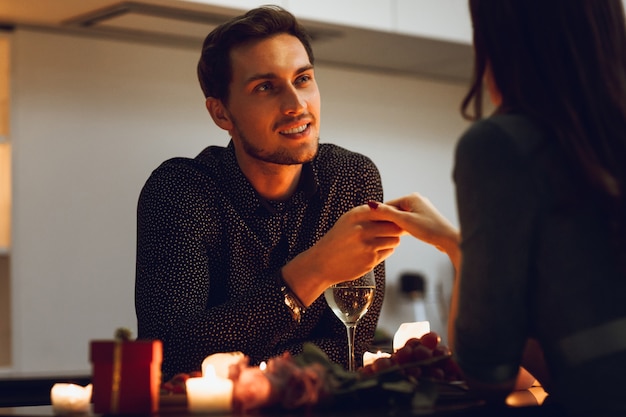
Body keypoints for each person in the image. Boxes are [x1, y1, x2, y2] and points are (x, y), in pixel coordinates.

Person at [369, 0, 626, 415]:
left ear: (502, 38)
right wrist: (456, 242)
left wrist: (462, 251)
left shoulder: (502, 146)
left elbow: (488, 371)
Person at [134, 5, 402, 381]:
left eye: (303, 79)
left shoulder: (350, 179)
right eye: (265, 87)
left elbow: (351, 343)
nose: (296, 105)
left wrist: (243, 358)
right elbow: (172, 355)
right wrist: (315, 268)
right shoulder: (181, 192)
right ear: (221, 114)